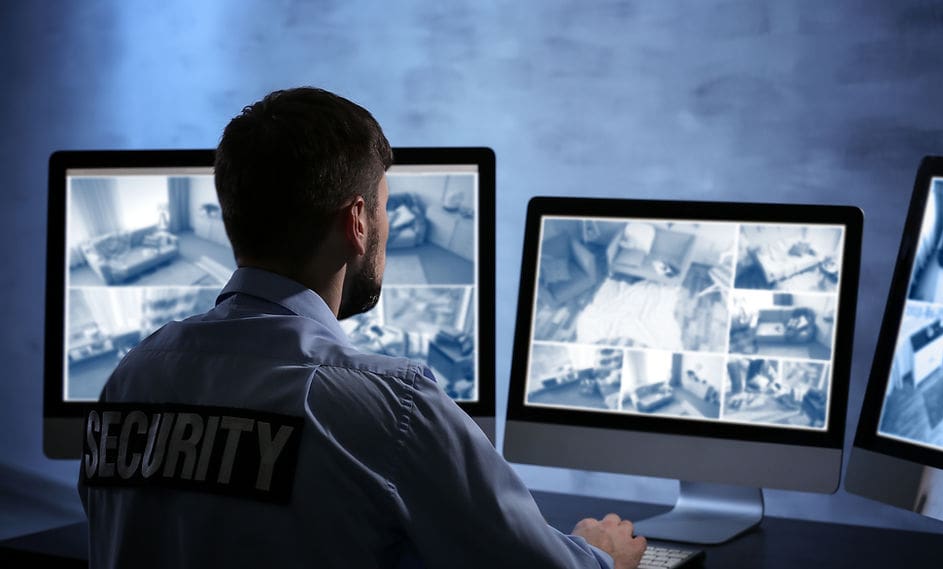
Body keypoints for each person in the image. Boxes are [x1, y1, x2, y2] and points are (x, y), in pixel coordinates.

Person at [78, 87, 646, 569]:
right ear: (357, 222)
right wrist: (600, 554)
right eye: (383, 210)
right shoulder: (393, 407)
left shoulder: (129, 378)